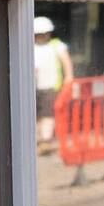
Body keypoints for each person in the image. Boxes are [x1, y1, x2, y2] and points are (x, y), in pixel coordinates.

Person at [33, 15, 72, 152]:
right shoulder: (29, 46)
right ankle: (36, 140)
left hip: (50, 86)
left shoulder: (57, 45)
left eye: (44, 34)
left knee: (47, 114)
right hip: (32, 87)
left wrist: (69, 77)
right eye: (38, 34)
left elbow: (66, 61)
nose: (41, 37)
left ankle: (45, 140)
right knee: (35, 115)